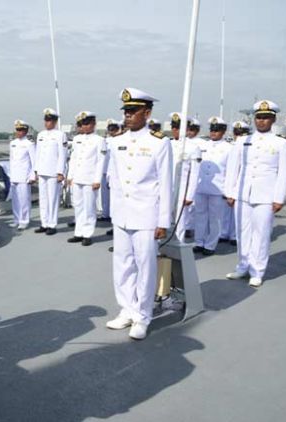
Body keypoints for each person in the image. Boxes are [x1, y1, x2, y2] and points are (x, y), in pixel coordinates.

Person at [106, 88, 172, 340]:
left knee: (145, 266)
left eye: (133, 111)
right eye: (126, 111)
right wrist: (113, 212)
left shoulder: (159, 142)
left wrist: (163, 220)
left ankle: (143, 316)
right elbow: (114, 179)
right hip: (122, 214)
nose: (128, 116)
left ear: (147, 112)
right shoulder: (116, 141)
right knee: (122, 264)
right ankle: (127, 309)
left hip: (147, 216)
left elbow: (166, 185)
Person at [224, 100, 286, 288]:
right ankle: (242, 266)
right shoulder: (242, 141)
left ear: (273, 119)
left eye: (266, 118)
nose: (261, 121)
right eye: (259, 117)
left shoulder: (281, 143)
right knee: (242, 232)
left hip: (266, 195)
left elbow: (284, 173)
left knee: (261, 234)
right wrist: (230, 192)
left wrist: (279, 198)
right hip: (242, 193)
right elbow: (233, 168)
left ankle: (257, 271)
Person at [193, 117, 233, 255]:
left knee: (215, 219)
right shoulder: (202, 146)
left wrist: (228, 192)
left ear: (223, 131)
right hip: (201, 187)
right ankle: (199, 242)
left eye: (217, 130)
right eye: (212, 130)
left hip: (218, 189)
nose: (213, 133)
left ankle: (210, 245)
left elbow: (231, 171)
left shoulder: (229, 148)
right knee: (200, 216)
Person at [66, 111, 106, 245]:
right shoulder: (77, 139)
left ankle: (87, 234)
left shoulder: (99, 140)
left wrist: (97, 180)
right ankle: (78, 232)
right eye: (83, 123)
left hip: (90, 179)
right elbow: (73, 158)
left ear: (93, 124)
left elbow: (101, 161)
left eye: (87, 123)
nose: (84, 126)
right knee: (78, 206)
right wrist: (70, 176)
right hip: (77, 177)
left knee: (89, 207)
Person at [169, 112, 201, 243]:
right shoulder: (167, 144)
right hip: (166, 188)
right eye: (173, 127)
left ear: (187, 129)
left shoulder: (193, 147)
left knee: (179, 221)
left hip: (182, 189)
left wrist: (190, 196)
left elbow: (194, 173)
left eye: (178, 127)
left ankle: (179, 247)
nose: (175, 130)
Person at [34, 108, 67, 235]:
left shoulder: (60, 135)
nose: (47, 123)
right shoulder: (41, 135)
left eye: (50, 120)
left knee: (52, 199)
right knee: (43, 199)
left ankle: (52, 224)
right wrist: (36, 170)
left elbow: (62, 155)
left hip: (53, 172)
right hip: (42, 171)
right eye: (46, 120)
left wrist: (60, 172)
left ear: (55, 121)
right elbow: (38, 153)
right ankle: (44, 223)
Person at [220, 121, 251, 245]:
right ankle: (224, 232)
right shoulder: (231, 146)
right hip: (229, 182)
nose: (238, 136)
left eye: (241, 133)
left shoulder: (248, 147)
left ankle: (235, 235)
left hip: (241, 184)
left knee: (238, 213)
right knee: (226, 211)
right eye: (236, 133)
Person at [8, 119, 36, 230]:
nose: (18, 132)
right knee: (15, 200)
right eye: (17, 130)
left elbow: (34, 162)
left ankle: (24, 220)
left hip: (24, 176)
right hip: (14, 175)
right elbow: (11, 159)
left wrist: (33, 175)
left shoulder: (29, 144)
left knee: (24, 199)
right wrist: (10, 174)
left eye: (21, 130)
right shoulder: (12, 143)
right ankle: (16, 219)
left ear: (25, 131)